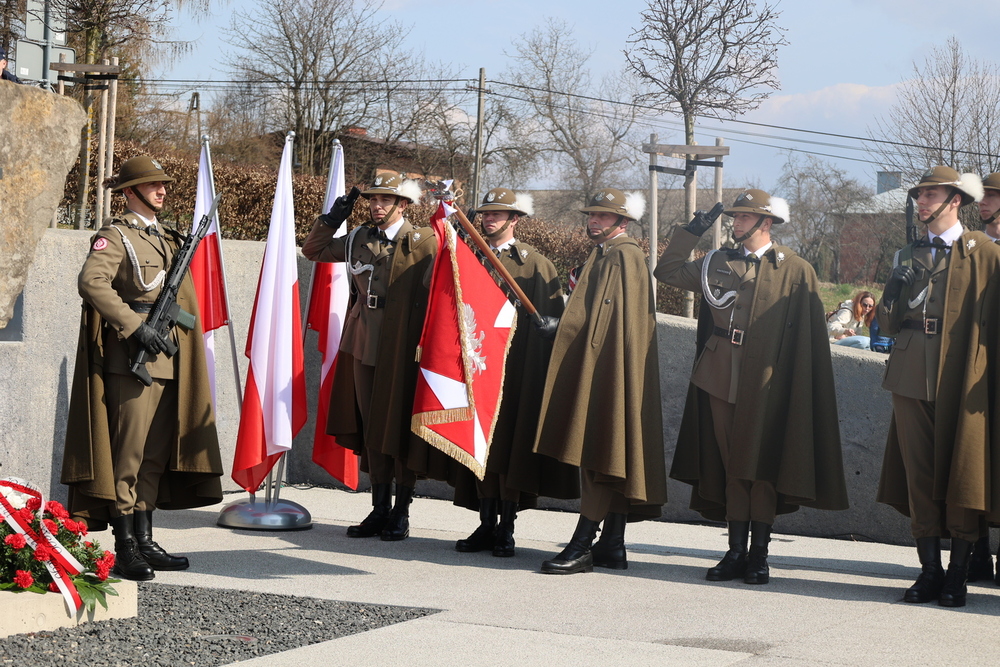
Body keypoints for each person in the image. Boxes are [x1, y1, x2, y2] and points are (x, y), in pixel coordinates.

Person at [655, 189, 848, 585]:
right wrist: (690, 233)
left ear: (766, 223)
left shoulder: (795, 270)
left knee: (760, 466)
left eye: (744, 217)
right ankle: (735, 550)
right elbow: (667, 271)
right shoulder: (716, 261)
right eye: (735, 217)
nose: (735, 223)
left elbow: (808, 340)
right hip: (719, 372)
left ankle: (759, 554)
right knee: (732, 464)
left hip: (768, 379)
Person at [62, 156, 224, 581]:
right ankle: (125, 545)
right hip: (131, 359)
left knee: (153, 455)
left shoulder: (167, 237)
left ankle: (146, 537)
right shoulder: (114, 236)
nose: (162, 190)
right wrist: (134, 327)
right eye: (152, 185)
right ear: (130, 192)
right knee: (128, 454)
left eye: (163, 184)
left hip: (168, 356)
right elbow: (91, 282)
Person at [876, 166, 1000, 608]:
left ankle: (960, 573)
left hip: (962, 375)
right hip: (911, 374)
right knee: (921, 475)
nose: (922, 202)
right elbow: (885, 328)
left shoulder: (983, 252)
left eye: (932, 195)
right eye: (919, 196)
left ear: (956, 201)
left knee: (962, 470)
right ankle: (929, 570)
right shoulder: (906, 254)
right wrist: (892, 291)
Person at [533, 187, 666, 575]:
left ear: (622, 222)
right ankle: (613, 543)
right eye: (591, 215)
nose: (593, 221)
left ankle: (583, 544)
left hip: (608, 368)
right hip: (602, 365)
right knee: (608, 452)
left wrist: (561, 328)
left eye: (603, 217)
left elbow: (610, 324)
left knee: (599, 454)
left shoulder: (623, 257)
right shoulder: (605, 254)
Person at [302, 172, 435, 541]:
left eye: (384, 200)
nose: (376, 206)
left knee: (398, 426)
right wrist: (331, 219)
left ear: (402, 205)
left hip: (403, 347)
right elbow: (312, 251)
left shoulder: (424, 241)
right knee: (372, 425)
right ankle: (379, 507)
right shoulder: (359, 237)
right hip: (362, 341)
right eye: (372, 200)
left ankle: (402, 511)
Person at [451, 188, 579, 558]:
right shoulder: (470, 255)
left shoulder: (535, 264)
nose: (489, 219)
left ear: (515, 220)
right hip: (476, 365)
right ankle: (485, 522)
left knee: (508, 448)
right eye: (486, 214)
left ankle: (506, 527)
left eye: (498, 214)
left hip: (515, 370)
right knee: (481, 446)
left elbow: (550, 327)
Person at [969, 171, 1000, 584]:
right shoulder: (972, 251)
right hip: (973, 366)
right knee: (971, 460)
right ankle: (976, 551)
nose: (983, 201)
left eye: (992, 195)